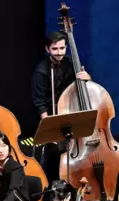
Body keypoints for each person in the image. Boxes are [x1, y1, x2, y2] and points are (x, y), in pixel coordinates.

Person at [31, 31, 91, 183]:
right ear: (47, 49)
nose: (59, 53)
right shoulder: (41, 72)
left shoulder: (71, 63)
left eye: (62, 48)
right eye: (55, 49)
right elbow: (40, 103)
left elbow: (83, 87)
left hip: (71, 113)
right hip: (53, 116)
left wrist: (87, 79)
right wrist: (49, 130)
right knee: (56, 152)